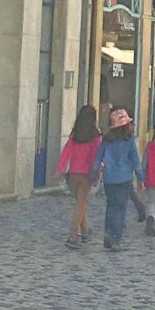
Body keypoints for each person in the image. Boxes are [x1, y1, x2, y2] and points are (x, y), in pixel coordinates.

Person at [93, 108, 144, 251]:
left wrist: (94, 174)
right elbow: (135, 161)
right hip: (124, 179)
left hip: (109, 179)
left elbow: (97, 158)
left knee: (111, 206)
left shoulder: (106, 141)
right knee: (120, 209)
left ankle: (108, 232)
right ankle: (115, 239)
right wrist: (141, 178)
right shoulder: (129, 141)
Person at [57, 105, 101, 248]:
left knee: (80, 203)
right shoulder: (95, 136)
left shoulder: (75, 134)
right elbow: (97, 157)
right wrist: (98, 173)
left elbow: (66, 152)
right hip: (87, 174)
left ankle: (85, 229)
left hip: (74, 174)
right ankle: (73, 235)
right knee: (80, 204)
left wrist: (59, 168)